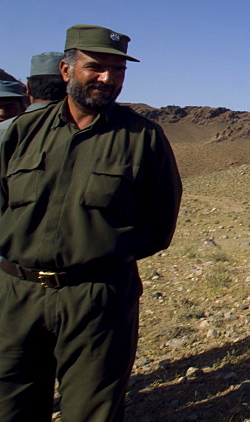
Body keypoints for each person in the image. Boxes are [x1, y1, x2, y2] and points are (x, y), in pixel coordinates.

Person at [0, 24, 182, 422]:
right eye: (95, 67)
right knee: (10, 405)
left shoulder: (142, 138)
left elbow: (159, 223)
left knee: (91, 412)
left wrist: (101, 258)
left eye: (118, 71)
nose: (107, 79)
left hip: (98, 300)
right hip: (16, 296)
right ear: (66, 71)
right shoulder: (23, 131)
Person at [0, 52, 66, 142]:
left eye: (9, 107)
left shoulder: (6, 130)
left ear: (28, 88)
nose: (2, 113)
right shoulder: (84, 132)